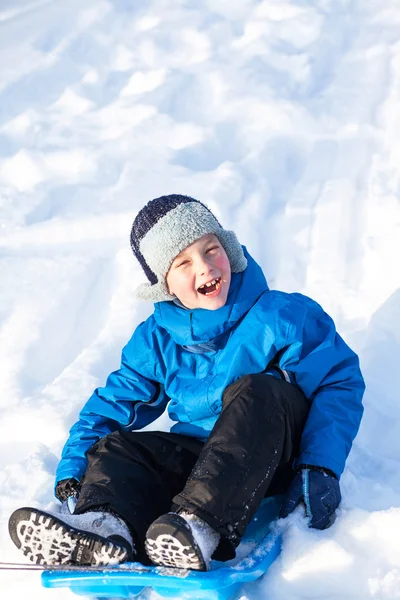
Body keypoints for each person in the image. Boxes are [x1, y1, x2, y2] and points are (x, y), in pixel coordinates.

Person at [8, 194, 365, 571]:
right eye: (184, 263)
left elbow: (338, 381)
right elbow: (110, 408)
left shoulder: (283, 315)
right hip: (207, 460)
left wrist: (320, 464)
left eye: (212, 249)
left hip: (272, 453)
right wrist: (73, 470)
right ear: (165, 286)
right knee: (118, 447)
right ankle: (105, 525)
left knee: (255, 390)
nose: (206, 268)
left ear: (229, 250)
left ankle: (198, 527)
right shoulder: (155, 340)